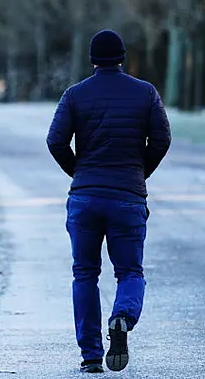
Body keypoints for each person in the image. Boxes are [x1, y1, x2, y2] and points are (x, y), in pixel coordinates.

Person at [46, 29, 171, 373]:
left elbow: (55, 141)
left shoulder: (74, 95)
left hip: (85, 198)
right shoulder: (145, 93)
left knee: (84, 274)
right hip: (127, 199)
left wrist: (78, 173)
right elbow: (162, 139)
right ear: (122, 57)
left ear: (92, 60)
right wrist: (139, 174)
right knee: (129, 271)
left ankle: (90, 357)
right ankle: (122, 316)